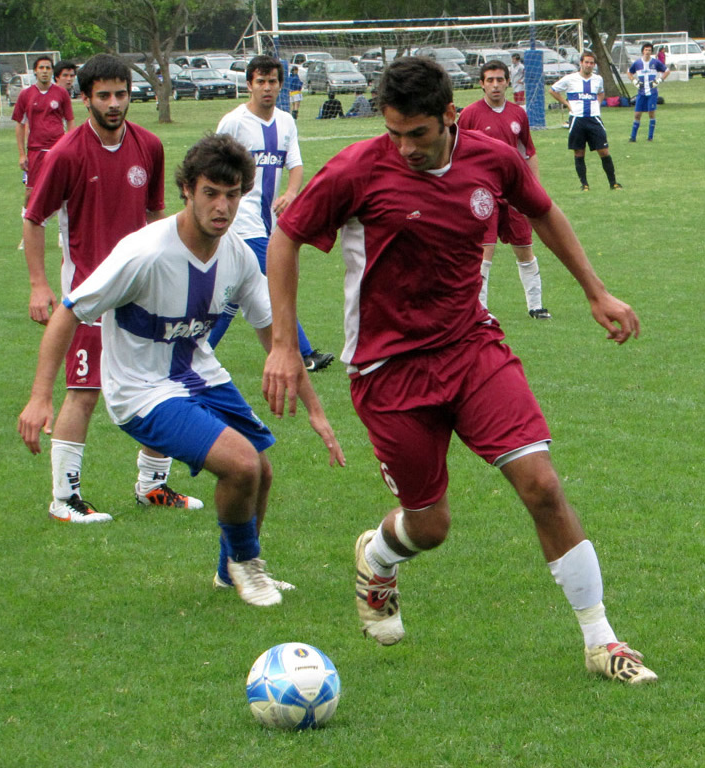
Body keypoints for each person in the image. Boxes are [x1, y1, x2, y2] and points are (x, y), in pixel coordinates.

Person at [262, 57, 657, 685]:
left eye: (416, 133)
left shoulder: (491, 159)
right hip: (388, 370)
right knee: (431, 524)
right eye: (393, 133)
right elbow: (285, 236)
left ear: (450, 116)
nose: (404, 147)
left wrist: (595, 290)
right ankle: (379, 557)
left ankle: (601, 640)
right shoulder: (357, 170)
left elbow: (543, 211)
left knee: (543, 485)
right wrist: (284, 343)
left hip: (472, 349)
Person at [18, 133, 344, 605]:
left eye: (233, 195)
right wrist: (40, 396)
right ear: (188, 190)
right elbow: (70, 310)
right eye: (211, 192)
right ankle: (248, 566)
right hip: (140, 390)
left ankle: (230, 574)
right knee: (241, 464)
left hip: (199, 374)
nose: (223, 207)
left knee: (261, 472)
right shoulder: (145, 252)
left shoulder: (236, 256)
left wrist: (316, 412)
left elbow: (278, 338)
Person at [22, 53, 201, 522]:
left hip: (142, 290)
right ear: (84, 99)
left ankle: (153, 485)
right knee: (85, 389)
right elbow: (34, 218)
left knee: (161, 382)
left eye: (121, 93)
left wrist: (168, 272)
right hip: (89, 293)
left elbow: (154, 217)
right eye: (103, 95)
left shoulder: (150, 147)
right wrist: (39, 284)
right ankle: (64, 498)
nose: (115, 103)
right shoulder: (66, 154)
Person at [213, 55, 334, 372]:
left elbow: (295, 165)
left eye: (272, 82)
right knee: (274, 281)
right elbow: (212, 166)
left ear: (281, 85)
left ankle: (198, 351)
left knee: (235, 293)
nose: (267, 88)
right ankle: (304, 353)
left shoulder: (285, 122)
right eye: (260, 81)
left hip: (272, 223)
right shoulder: (234, 122)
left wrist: (291, 193)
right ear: (249, 84)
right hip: (243, 222)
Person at [457, 60, 551, 319]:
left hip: (514, 194)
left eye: (500, 80)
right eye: (490, 80)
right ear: (481, 84)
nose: (495, 85)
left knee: (525, 247)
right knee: (484, 252)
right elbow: (457, 154)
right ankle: (481, 311)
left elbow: (528, 152)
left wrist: (535, 189)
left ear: (508, 82)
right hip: (482, 194)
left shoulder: (518, 114)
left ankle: (536, 306)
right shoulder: (469, 115)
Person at [12, 56, 74, 248]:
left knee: (64, 191)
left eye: (48, 67)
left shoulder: (61, 94)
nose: (45, 70)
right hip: (36, 151)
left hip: (57, 149)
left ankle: (62, 234)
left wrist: (70, 146)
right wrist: (22, 153)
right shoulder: (26, 95)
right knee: (30, 192)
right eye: (41, 68)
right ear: (35, 71)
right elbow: (20, 124)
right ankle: (27, 233)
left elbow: (70, 120)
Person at [550, 52, 622, 191]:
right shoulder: (570, 79)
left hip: (594, 119)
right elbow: (553, 90)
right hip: (577, 119)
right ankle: (585, 185)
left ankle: (613, 183)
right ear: (581, 63)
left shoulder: (598, 79)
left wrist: (597, 104)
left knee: (604, 151)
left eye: (591, 63)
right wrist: (567, 104)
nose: (589, 65)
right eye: (586, 62)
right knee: (578, 152)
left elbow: (601, 93)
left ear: (594, 65)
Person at [628, 42, 669, 142]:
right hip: (641, 93)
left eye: (649, 50)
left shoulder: (655, 62)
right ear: (643, 51)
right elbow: (629, 72)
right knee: (637, 114)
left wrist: (659, 80)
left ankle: (650, 137)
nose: (647, 52)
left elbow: (667, 71)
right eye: (646, 50)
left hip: (652, 93)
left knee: (651, 113)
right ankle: (633, 137)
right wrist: (634, 81)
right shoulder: (637, 63)